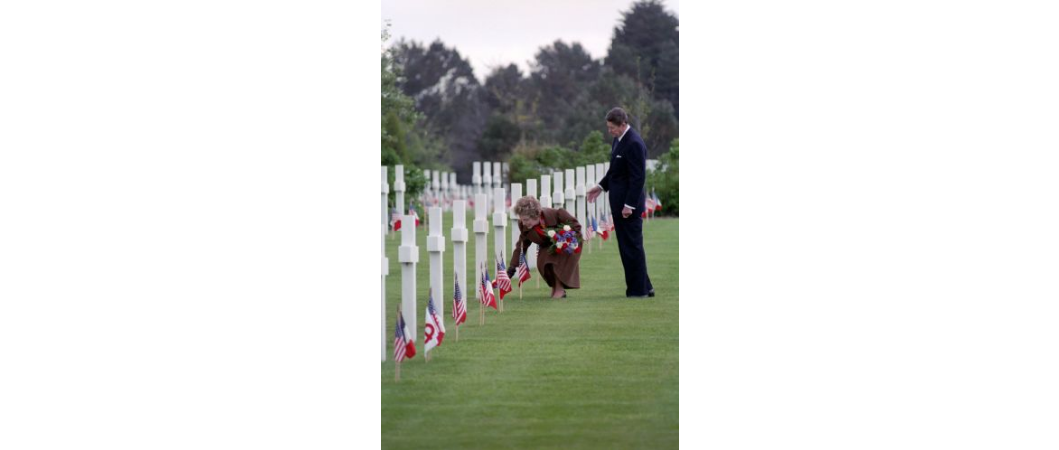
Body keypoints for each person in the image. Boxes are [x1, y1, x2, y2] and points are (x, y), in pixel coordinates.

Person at [587, 107, 655, 298]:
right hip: (618, 204)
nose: (610, 131)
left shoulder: (633, 143)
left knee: (631, 247)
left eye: (612, 128)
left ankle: (638, 291)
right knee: (627, 246)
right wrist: (600, 187)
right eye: (608, 128)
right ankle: (646, 286)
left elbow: (637, 177)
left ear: (623, 124)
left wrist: (629, 205)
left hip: (627, 207)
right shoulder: (619, 139)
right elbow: (615, 171)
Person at [508, 196, 582, 299]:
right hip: (547, 246)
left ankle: (559, 289)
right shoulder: (524, 226)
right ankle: (556, 287)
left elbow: (576, 226)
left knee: (552, 261)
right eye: (522, 219)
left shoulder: (558, 214)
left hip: (569, 243)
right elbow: (521, 245)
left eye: (526, 219)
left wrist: (564, 237)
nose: (523, 223)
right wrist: (512, 267)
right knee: (542, 264)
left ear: (536, 214)